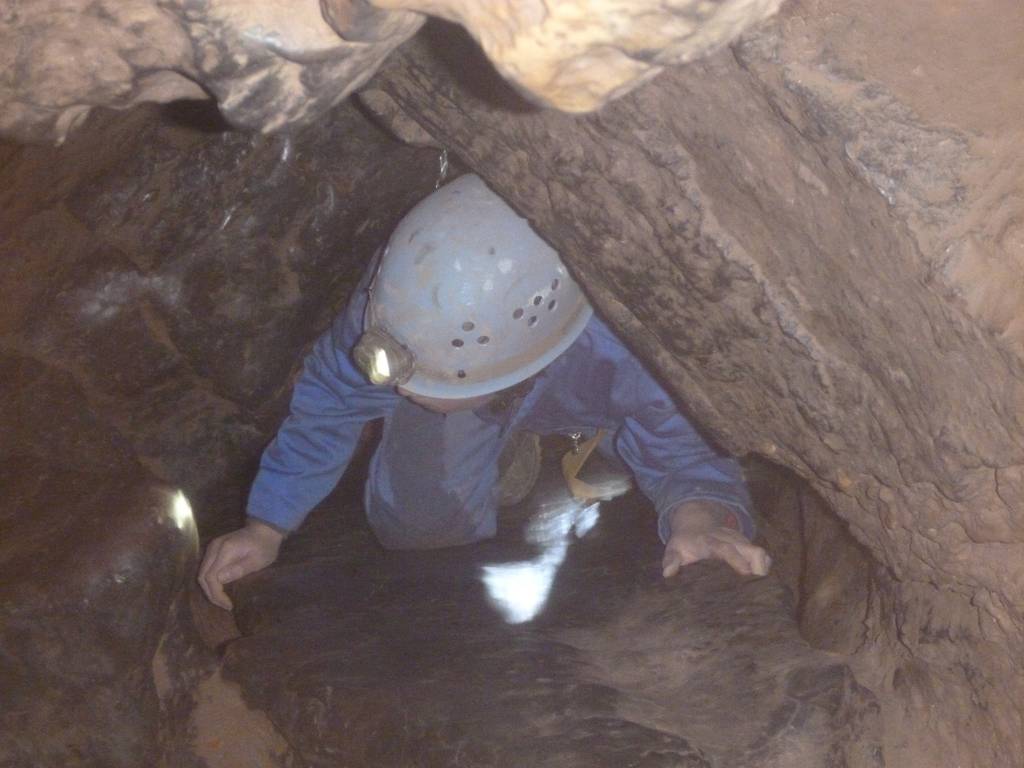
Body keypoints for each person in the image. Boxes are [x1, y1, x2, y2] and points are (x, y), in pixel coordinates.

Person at [199, 174, 770, 610]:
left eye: (426, 386)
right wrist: (267, 524)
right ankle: (515, 440)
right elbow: (332, 399)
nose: (408, 396)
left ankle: (598, 435)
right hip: (503, 382)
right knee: (419, 526)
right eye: (407, 385)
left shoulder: (634, 347)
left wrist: (700, 521)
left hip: (589, 386)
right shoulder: (404, 301)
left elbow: (690, 452)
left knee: (646, 447)